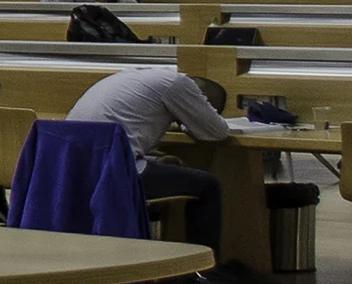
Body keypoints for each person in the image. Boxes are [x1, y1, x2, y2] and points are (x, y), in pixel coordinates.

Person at [67, 63, 230, 256]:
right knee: (208, 185)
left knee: (167, 166)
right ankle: (204, 273)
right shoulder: (179, 84)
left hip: (71, 167)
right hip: (114, 172)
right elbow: (217, 132)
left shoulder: (132, 77)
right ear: (201, 99)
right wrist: (189, 122)